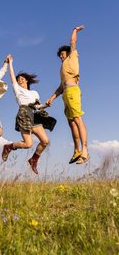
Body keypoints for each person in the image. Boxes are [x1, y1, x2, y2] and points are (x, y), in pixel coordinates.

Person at [2, 55, 55, 174]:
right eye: (18, 79)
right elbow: (11, 76)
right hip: (24, 114)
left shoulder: (34, 93)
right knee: (28, 144)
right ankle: (9, 147)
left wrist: (46, 105)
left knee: (45, 141)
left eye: (22, 78)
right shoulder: (17, 89)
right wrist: (10, 63)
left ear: (26, 80)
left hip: (34, 115)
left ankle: (33, 160)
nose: (20, 80)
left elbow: (37, 106)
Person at [46, 26, 89, 164]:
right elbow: (60, 86)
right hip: (66, 94)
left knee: (77, 119)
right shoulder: (62, 68)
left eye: (62, 54)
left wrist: (75, 30)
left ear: (68, 53)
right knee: (71, 123)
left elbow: (72, 42)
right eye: (59, 55)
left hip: (72, 92)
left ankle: (85, 151)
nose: (60, 56)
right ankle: (77, 150)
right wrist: (52, 97)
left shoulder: (72, 57)